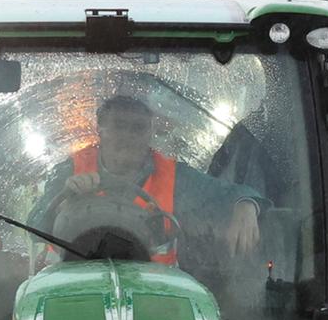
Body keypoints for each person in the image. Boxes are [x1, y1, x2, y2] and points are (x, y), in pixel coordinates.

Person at [32, 94, 264, 261]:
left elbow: (224, 194)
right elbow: (34, 226)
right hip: (70, 290)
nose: (128, 136)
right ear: (100, 127)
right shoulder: (71, 169)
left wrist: (246, 204)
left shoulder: (175, 176)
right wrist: (65, 202)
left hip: (154, 299)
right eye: (119, 125)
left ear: (150, 132)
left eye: (138, 128)